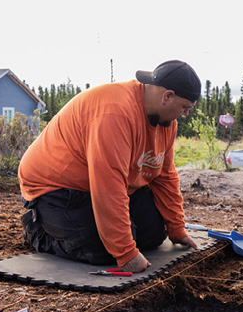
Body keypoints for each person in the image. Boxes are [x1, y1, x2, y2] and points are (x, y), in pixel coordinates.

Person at [18, 60, 201, 273]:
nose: (186, 114)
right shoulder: (115, 113)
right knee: (105, 251)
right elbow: (108, 187)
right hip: (58, 187)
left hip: (103, 183)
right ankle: (38, 230)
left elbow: (164, 175)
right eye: (185, 107)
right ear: (167, 96)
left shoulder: (166, 122)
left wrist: (177, 229)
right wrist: (125, 254)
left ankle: (98, 234)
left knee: (153, 233)